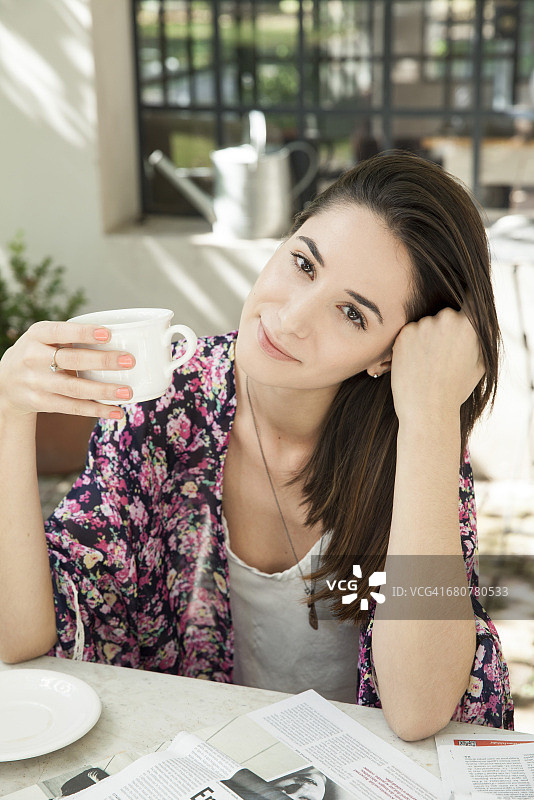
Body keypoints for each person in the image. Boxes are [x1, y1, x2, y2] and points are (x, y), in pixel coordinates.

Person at [0, 152, 514, 741]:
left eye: (352, 313)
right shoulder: (166, 402)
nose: (292, 318)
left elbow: (420, 708)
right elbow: (21, 637)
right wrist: (8, 414)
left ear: (389, 355)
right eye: (302, 263)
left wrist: (430, 419)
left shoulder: (413, 442)